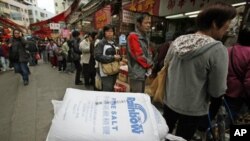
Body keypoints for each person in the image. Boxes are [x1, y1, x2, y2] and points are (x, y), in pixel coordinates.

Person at [162, 2, 236, 140]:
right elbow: (217, 90)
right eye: (227, 23)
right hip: (193, 110)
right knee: (183, 138)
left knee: (164, 135)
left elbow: (165, 65)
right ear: (215, 23)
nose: (228, 28)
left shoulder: (178, 41)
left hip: (169, 102)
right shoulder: (217, 49)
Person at [225, 28, 250, 122]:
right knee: (237, 117)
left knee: (225, 114)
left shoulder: (229, 50)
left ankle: (218, 133)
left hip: (226, 88)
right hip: (240, 93)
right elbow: (248, 82)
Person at [127, 13, 154, 93]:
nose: (149, 25)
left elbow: (149, 52)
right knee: (137, 97)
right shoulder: (133, 36)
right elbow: (138, 56)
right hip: (136, 73)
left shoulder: (145, 36)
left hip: (143, 72)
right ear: (138, 24)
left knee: (141, 95)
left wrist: (150, 63)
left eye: (149, 23)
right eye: (146, 23)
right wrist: (150, 64)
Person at [94, 24, 121, 91]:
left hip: (114, 70)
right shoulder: (101, 43)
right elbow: (97, 56)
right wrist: (113, 58)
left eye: (111, 31)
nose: (110, 33)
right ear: (104, 32)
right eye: (108, 31)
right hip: (105, 72)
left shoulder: (114, 43)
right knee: (107, 90)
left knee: (112, 89)